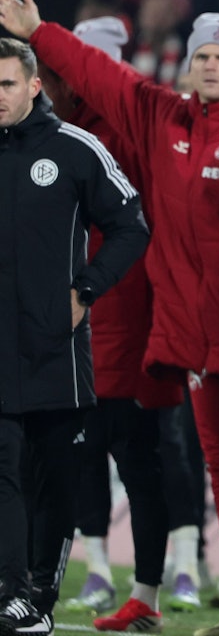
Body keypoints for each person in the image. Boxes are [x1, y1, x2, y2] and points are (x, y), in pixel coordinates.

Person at [0, 0, 219, 636]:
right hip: (189, 336)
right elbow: (112, 79)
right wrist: (41, 30)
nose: (210, 65)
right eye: (201, 56)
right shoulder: (166, 120)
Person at [35, 16, 188, 631]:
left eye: (56, 72)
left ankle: (150, 589)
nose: (46, 85)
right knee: (53, 463)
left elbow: (138, 231)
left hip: (123, 322)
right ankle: (47, 579)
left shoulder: (131, 131)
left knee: (138, 456)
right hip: (57, 328)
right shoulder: (35, 133)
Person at [0, 35, 149, 636]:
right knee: (3, 472)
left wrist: (86, 290)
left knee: (53, 486)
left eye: (6, 84)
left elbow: (131, 226)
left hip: (55, 356)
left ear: (34, 86)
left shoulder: (74, 148)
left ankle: (39, 595)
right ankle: (11, 595)